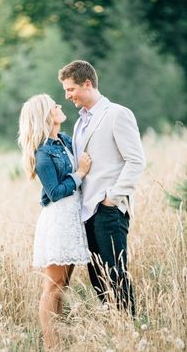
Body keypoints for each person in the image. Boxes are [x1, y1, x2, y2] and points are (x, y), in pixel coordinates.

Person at [58, 60, 146, 316]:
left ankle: (129, 328)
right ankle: (114, 327)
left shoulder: (118, 114)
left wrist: (112, 198)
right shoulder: (78, 124)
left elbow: (136, 160)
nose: (67, 95)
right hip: (86, 212)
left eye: (70, 89)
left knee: (116, 275)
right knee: (98, 278)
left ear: (87, 84)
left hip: (108, 209)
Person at [18, 94, 91, 350]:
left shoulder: (65, 140)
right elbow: (55, 192)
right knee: (53, 287)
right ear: (45, 115)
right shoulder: (43, 154)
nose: (59, 106)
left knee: (63, 285)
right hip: (58, 221)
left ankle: (58, 340)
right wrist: (80, 173)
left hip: (72, 219)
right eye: (54, 106)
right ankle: (51, 345)